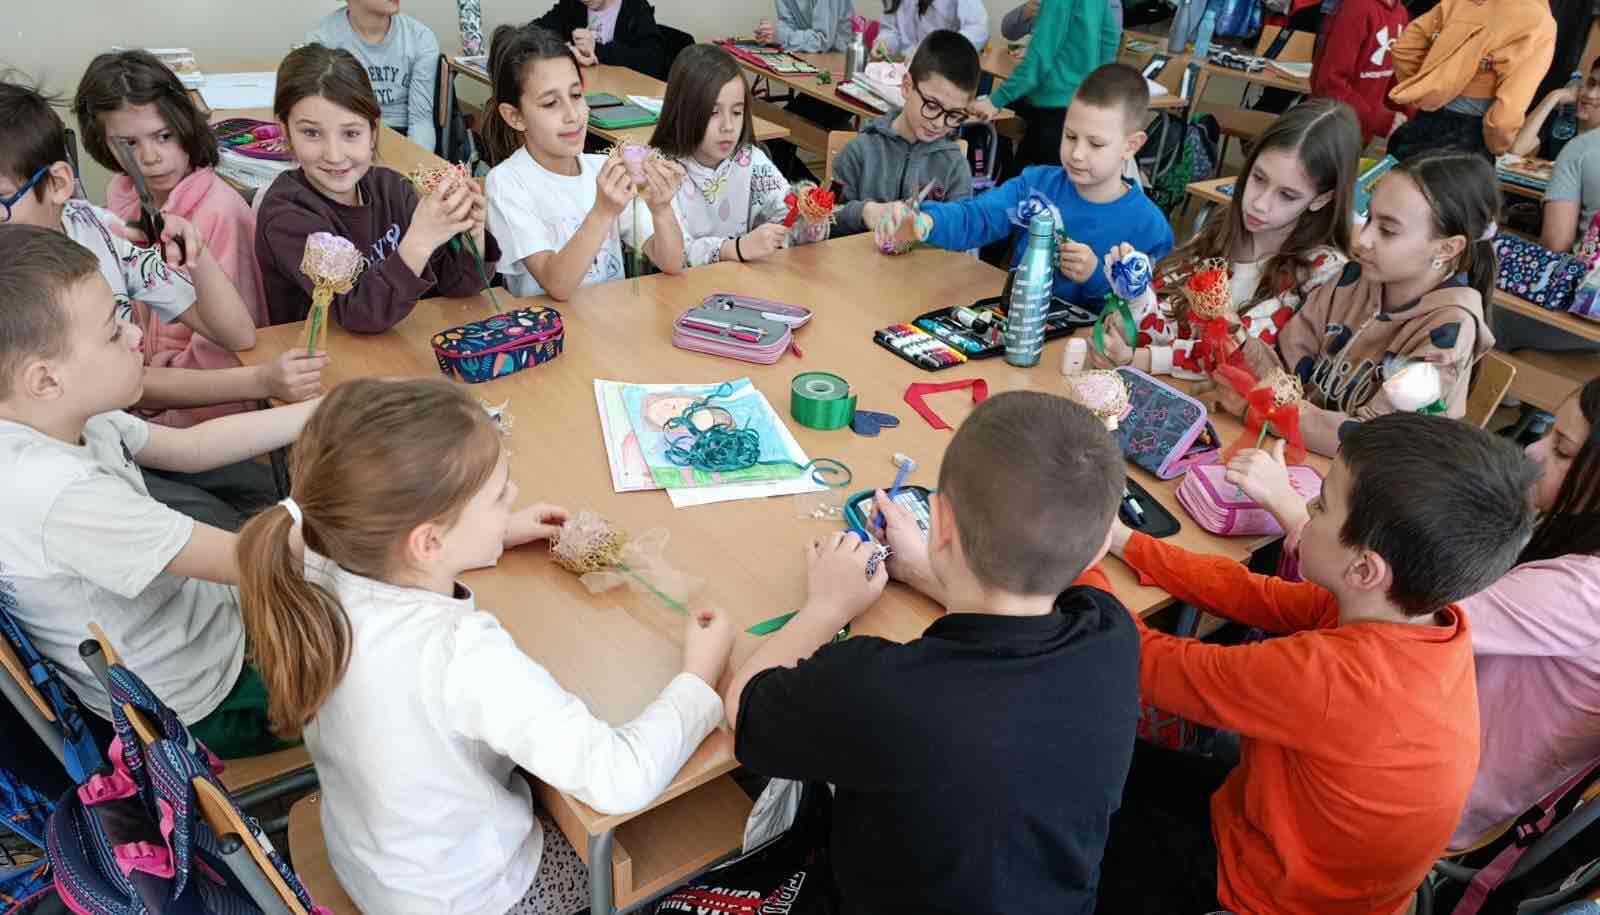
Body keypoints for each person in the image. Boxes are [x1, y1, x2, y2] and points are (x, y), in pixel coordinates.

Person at [237, 378, 731, 915]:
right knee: (669, 833)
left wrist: (491, 533)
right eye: (498, 496)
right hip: (473, 899)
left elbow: (403, 572)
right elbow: (618, 778)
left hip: (375, 867)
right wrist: (699, 679)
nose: (513, 496)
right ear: (429, 541)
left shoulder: (319, 561)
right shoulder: (461, 654)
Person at [1094, 412, 1540, 915]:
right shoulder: (1419, 618)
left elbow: (1153, 666)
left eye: (1322, 505)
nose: (1306, 506)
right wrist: (1125, 541)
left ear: (1365, 568)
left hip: (1256, 892)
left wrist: (1075, 561)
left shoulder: (1336, 678)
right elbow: (1253, 594)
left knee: (1062, 805)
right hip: (1276, 830)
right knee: (1111, 766)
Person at [725, 391, 1139, 913]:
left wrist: (828, 606)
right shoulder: (1110, 633)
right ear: (1099, 548)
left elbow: (743, 706)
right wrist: (927, 569)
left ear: (938, 522)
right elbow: (1013, 615)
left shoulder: (882, 692)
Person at [1228, 374, 1600, 854]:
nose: (1532, 450)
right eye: (1548, 433)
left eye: (1563, 450)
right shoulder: (1565, 539)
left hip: (1407, 794)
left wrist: (1290, 507)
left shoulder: (1581, 592)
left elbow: (1391, 602)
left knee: (1222, 682)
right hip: (1403, 724)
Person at [0, 223, 321, 758]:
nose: (135, 335)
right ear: (45, 379)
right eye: (113, 332)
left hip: (216, 623)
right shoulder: (58, 495)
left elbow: (190, 448)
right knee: (393, 658)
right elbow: (255, 560)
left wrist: (327, 410)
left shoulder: (60, 414)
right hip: (211, 699)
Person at [0, 80, 304, 532]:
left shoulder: (95, 231)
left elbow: (236, 334)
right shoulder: (19, 286)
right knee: (244, 526)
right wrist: (260, 380)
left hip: (124, 435)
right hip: (83, 472)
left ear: (60, 183)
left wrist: (197, 253)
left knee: (274, 495)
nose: (148, 157)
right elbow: (135, 381)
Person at [1230, 151, 1497, 455]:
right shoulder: (1351, 280)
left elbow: (1371, 442)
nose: (1362, 240)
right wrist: (1238, 344)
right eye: (1369, 218)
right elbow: (1286, 373)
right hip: (1287, 454)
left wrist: (1255, 410)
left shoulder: (1448, 331)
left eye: (1388, 230)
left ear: (1447, 248)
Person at [73, 50, 277, 428]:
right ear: (103, 144)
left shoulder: (220, 213)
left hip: (205, 412)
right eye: (128, 144)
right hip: (144, 392)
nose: (150, 157)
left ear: (185, 125)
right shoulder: (122, 197)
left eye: (163, 136)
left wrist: (152, 402)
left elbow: (228, 353)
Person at [1093, 99, 1359, 379]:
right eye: (1258, 178)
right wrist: (1135, 299)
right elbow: (1165, 328)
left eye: (1287, 195)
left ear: (1321, 199)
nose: (1260, 204)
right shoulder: (1223, 227)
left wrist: (1141, 359)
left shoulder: (1322, 271)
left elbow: (1239, 358)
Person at [877, 62, 1172, 311]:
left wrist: (1096, 276)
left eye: (1095, 144)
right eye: (1070, 136)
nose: (1077, 154)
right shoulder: (1036, 185)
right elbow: (978, 216)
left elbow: (1148, 319)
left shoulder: (1149, 228)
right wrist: (926, 221)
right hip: (1014, 327)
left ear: (1131, 145)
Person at [256, 45, 497, 333]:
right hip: (326, 354)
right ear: (285, 131)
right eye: (311, 133)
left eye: (351, 133)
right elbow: (358, 314)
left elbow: (459, 285)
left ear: (372, 132)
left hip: (400, 344)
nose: (334, 154)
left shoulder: (392, 188)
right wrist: (420, 240)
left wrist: (472, 237)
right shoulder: (287, 216)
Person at [484, 25, 686, 300]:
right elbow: (557, 285)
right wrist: (602, 212)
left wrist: (661, 209)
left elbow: (672, 263)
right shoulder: (507, 182)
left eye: (576, 95)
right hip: (549, 326)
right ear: (515, 116)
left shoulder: (600, 168)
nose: (572, 115)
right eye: (550, 103)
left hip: (613, 321)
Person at [649, 44, 821, 265]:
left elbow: (784, 213)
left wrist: (807, 218)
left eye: (737, 112)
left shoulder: (751, 160)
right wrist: (736, 248)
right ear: (683, 111)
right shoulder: (662, 172)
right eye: (713, 112)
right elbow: (678, 255)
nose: (728, 126)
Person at [834, 30, 977, 237]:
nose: (938, 123)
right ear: (907, 86)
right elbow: (824, 221)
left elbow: (963, 233)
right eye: (932, 105)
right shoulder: (861, 150)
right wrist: (863, 212)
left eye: (954, 115)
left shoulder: (954, 166)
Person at [1386, 0, 1555, 160]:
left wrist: (1427, 90)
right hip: (1468, 143)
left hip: (1417, 128)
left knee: (1393, 180)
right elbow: (1503, 120)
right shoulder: (1539, 21)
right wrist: (1498, 146)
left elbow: (1405, 48)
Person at [973, 0, 1120, 171]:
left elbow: (1039, 57)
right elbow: (1110, 39)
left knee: (1033, 176)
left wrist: (996, 100)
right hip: (1079, 101)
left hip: (1050, 103)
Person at [307, 0, 441, 152]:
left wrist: (416, 163)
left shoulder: (420, 38)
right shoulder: (323, 40)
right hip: (347, 136)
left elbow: (421, 120)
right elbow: (322, 117)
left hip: (403, 137)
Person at [1308, 0, 1411, 147]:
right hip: (1329, 130)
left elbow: (1393, 77)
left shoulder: (1401, 13)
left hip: (1360, 134)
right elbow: (1329, 84)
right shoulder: (1356, 7)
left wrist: (1412, 113)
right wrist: (1378, 119)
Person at [533, 0, 670, 80]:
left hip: (623, 93)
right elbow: (535, 31)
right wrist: (565, 48)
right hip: (584, 87)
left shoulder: (634, 7)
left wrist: (597, 49)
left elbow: (652, 60)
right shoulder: (572, 4)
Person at [1512, 57, 1600, 161]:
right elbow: (1516, 150)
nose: (1590, 94)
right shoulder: (1560, 119)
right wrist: (1554, 96)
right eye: (1591, 83)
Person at [875, 0, 989, 58]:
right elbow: (890, 29)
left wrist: (936, 50)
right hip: (903, 69)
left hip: (940, 74)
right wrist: (886, 42)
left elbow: (979, 29)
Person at [756, 0, 854, 52]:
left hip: (837, 60)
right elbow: (788, 26)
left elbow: (822, 40)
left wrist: (781, 37)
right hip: (807, 55)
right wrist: (770, 33)